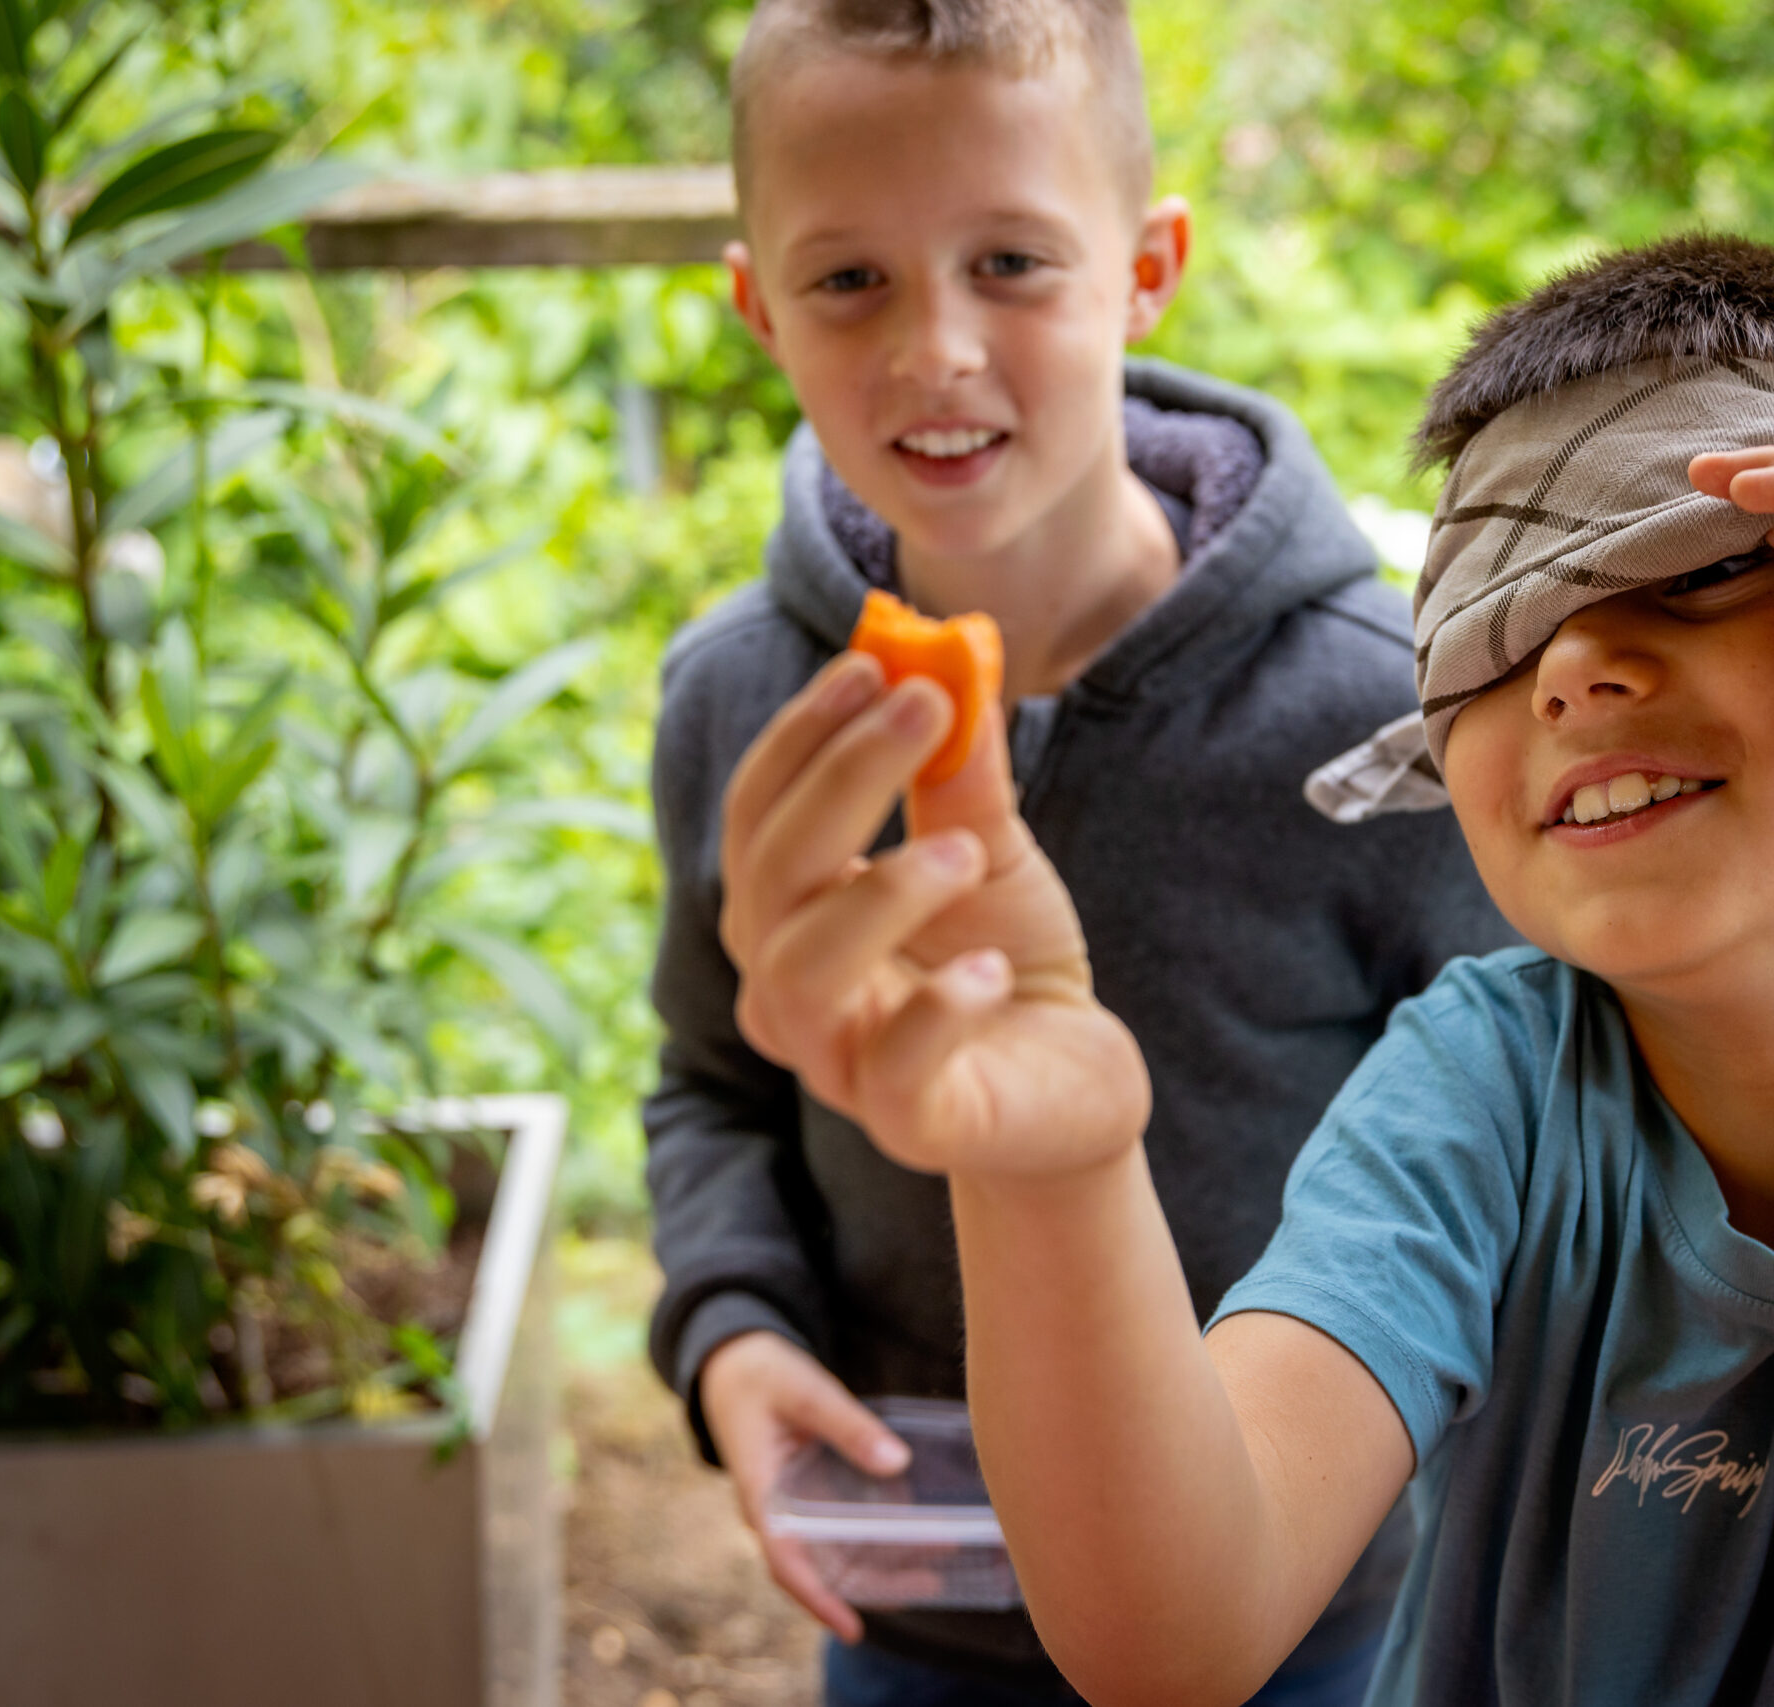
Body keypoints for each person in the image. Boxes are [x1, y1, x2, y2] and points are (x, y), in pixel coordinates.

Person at [712, 234, 1774, 1706]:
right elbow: (1174, 1625)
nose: (1569, 664)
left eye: (1704, 565)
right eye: (1491, 629)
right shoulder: (1486, 1080)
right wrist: (1054, 1167)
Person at [640, 0, 1514, 1699]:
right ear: (757, 305)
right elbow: (711, 1085)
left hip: (1320, 1614)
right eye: (850, 280)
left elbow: (1523, 1138)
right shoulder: (740, 701)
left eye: (1014, 263)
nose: (937, 349)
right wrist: (732, 1337)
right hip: (913, 1606)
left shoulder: (1383, 707)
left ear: (1147, 267)